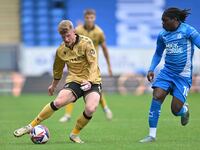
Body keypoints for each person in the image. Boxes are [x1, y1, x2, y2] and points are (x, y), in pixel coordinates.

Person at [13, 20, 102, 143]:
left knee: (91, 108)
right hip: (75, 80)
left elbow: (93, 64)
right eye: (63, 36)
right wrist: (53, 85)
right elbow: (58, 69)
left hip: (93, 81)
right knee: (58, 101)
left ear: (74, 32)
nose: (66, 39)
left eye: (68, 35)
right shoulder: (61, 50)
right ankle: (30, 126)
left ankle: (74, 134)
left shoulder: (86, 43)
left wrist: (90, 81)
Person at [139, 7, 200, 143]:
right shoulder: (163, 35)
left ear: (175, 20)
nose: (162, 24)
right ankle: (152, 135)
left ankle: (184, 110)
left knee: (175, 110)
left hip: (183, 76)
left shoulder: (188, 31)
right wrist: (151, 68)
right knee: (157, 96)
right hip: (166, 73)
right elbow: (158, 53)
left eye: (165, 21)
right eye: (162, 21)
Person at [59, 9, 113, 122]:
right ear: (84, 18)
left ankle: (106, 108)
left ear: (95, 18)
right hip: (78, 65)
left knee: (95, 89)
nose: (89, 19)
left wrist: (109, 66)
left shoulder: (99, 32)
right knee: (72, 86)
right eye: (87, 17)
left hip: (92, 64)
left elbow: (104, 49)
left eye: (91, 17)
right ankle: (68, 115)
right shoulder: (78, 30)